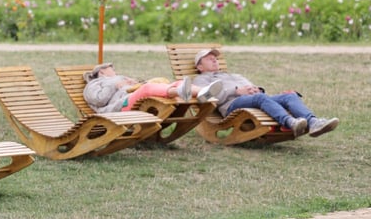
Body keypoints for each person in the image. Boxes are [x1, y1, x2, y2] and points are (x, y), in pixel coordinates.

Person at [191, 47, 339, 138]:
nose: (214, 60)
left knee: (289, 95)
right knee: (260, 98)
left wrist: (256, 89)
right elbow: (207, 98)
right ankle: (290, 123)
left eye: (215, 58)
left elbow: (253, 88)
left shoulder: (233, 75)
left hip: (254, 98)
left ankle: (313, 122)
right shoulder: (200, 80)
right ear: (200, 67)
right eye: (209, 59)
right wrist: (236, 91)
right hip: (231, 105)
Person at [82, 62, 223, 114]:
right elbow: (99, 100)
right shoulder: (93, 85)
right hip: (116, 108)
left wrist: (133, 82)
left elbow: (132, 87)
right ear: (102, 72)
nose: (114, 70)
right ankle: (181, 92)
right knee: (147, 88)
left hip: (130, 96)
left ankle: (203, 93)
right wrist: (115, 84)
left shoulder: (120, 79)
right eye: (111, 69)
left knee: (177, 82)